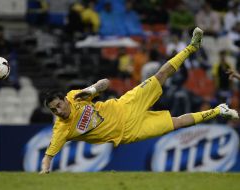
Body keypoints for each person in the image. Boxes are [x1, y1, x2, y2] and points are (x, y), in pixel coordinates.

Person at [40, 27, 239, 174]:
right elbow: (48, 156)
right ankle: (219, 110)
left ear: (64, 100)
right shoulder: (61, 129)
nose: (58, 111)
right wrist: (45, 170)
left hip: (126, 104)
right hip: (129, 132)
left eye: (58, 105)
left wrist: (91, 89)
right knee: (176, 123)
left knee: (161, 74)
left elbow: (105, 83)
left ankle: (191, 47)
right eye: (53, 110)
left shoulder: (75, 97)